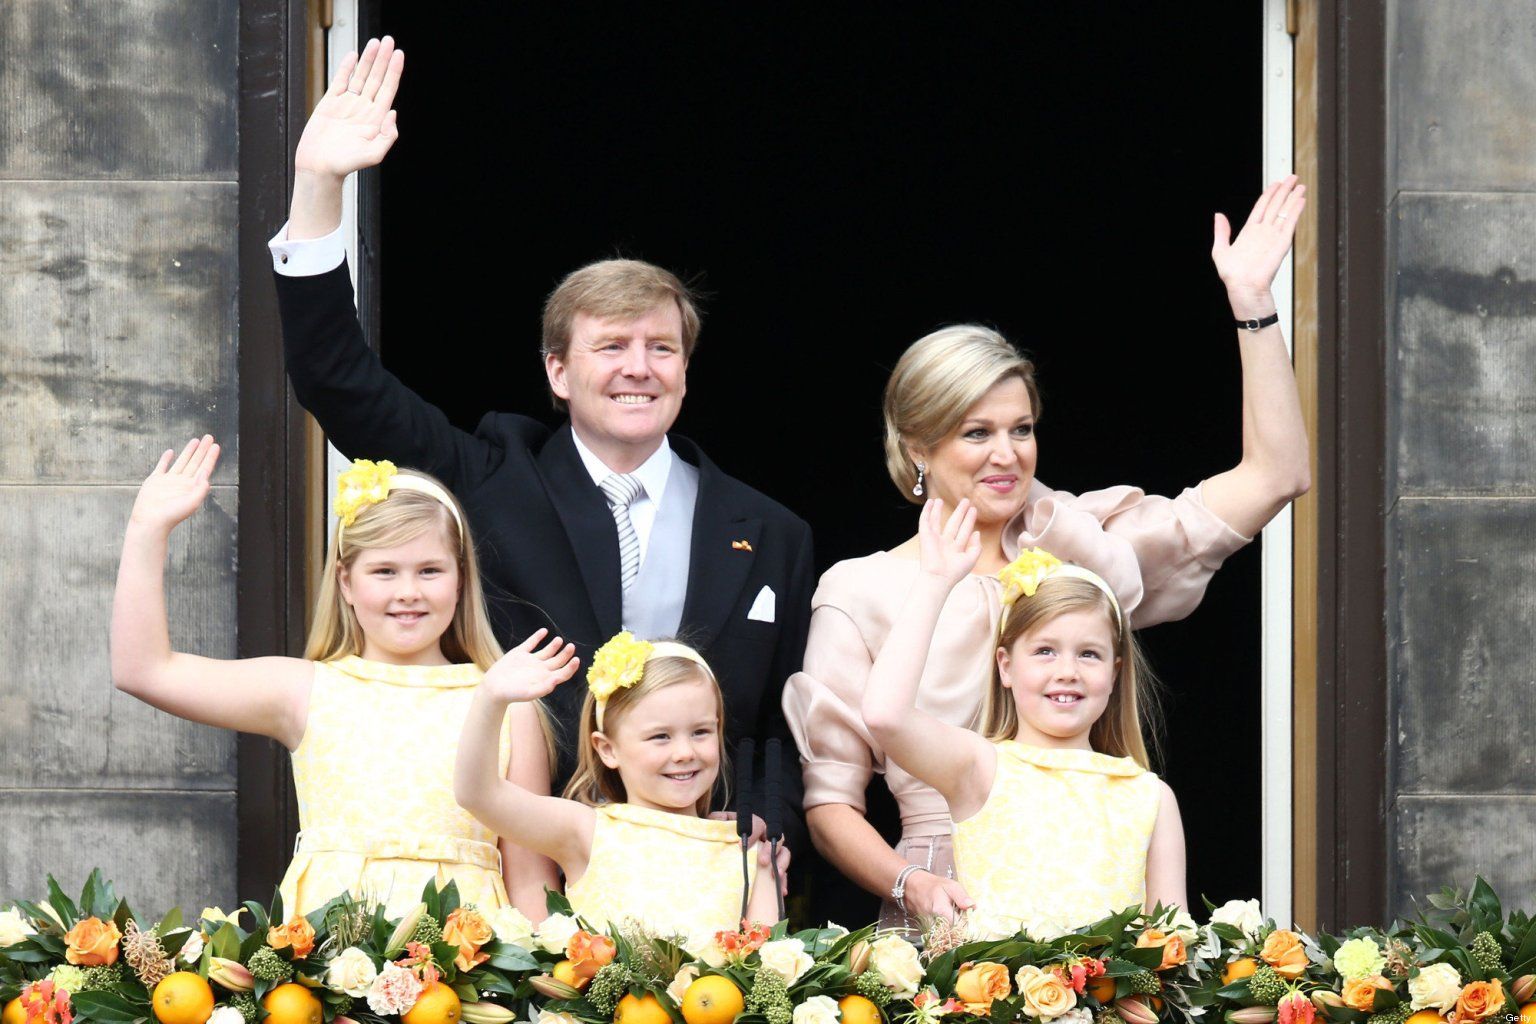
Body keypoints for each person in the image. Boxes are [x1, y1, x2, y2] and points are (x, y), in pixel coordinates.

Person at [266, 36, 813, 911]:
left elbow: (773, 733)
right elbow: (338, 378)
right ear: (559, 373)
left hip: (704, 887)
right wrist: (319, 187)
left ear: (685, 368)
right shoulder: (491, 476)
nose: (639, 367)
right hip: (522, 876)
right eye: (611, 347)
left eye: (661, 348)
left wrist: (766, 845)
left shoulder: (772, 531)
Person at [784, 177, 1310, 929]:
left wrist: (1253, 304)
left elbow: (1277, 475)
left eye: (1021, 429)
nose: (1006, 455)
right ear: (918, 448)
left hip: (1088, 898)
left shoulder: (1084, 547)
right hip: (947, 909)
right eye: (976, 432)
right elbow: (831, 803)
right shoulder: (862, 589)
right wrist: (913, 886)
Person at [111, 438, 547, 917]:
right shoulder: (308, 690)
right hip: (330, 964)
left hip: (469, 966)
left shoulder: (506, 702)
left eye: (429, 570)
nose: (408, 592)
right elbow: (144, 669)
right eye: (383, 571)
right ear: (345, 581)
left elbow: (530, 881)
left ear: (460, 578)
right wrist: (146, 528)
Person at [861, 500, 1184, 936]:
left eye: (1089, 654)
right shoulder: (980, 767)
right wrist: (935, 582)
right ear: (1006, 666)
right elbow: (885, 715)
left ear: (1115, 672)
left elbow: (1172, 941)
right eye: (1045, 651)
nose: (1066, 670)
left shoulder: (1149, 795)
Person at [454, 631, 782, 945]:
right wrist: (490, 699)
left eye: (700, 732)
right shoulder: (586, 830)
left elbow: (761, 967)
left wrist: (765, 870)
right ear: (607, 749)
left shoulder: (744, 851)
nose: (685, 753)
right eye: (660, 736)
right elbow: (478, 794)